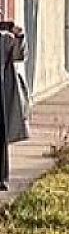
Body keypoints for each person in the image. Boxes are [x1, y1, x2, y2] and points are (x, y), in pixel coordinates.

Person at [0, 19, 26, 192]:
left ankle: (1, 178)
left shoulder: (5, 40)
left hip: (1, 93)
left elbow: (19, 55)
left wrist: (19, 36)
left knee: (1, 136)